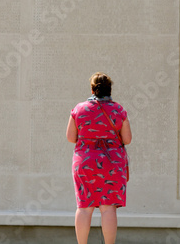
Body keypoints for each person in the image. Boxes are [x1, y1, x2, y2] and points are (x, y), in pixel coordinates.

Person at [66, 72, 132, 244]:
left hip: (85, 160)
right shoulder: (119, 110)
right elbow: (127, 139)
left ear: (92, 89)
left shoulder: (79, 109)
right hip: (112, 162)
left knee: (84, 207)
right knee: (108, 209)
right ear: (110, 89)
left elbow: (71, 137)